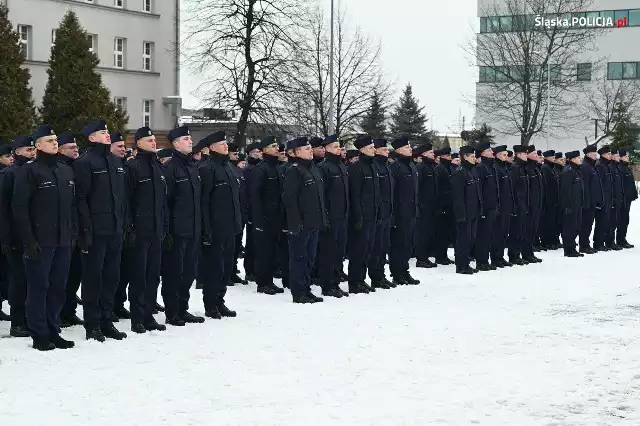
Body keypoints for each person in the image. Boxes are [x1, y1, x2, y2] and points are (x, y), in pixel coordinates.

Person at [12, 124, 77, 351]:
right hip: (40, 241)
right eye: (49, 140)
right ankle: (39, 334)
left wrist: (72, 233)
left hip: (63, 240)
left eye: (56, 139)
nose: (54, 143)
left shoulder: (65, 170)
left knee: (58, 288)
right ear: (37, 145)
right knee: (39, 288)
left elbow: (72, 206)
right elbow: (20, 209)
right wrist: (29, 240)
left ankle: (53, 329)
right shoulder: (29, 171)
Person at [73, 121, 128, 341]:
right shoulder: (85, 162)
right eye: (102, 133)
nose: (107, 135)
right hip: (96, 232)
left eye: (107, 132)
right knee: (93, 279)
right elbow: (81, 200)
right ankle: (92, 324)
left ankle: (106, 319)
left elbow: (121, 198)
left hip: (115, 230)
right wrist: (86, 231)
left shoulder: (115, 162)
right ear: (92, 138)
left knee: (111, 278)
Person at [125, 127, 168, 333]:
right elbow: (126, 202)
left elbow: (163, 203)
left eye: (154, 139)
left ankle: (148, 314)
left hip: (156, 231)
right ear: (138, 143)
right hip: (139, 232)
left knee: (153, 276)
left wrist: (165, 227)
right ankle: (137, 318)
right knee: (138, 276)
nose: (153, 142)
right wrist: (130, 229)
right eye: (149, 140)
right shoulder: (133, 168)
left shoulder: (159, 167)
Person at [161, 125, 205, 326]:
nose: (190, 141)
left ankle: (182, 308)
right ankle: (172, 311)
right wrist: (168, 230)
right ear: (176, 144)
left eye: (190, 138)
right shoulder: (170, 168)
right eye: (186, 139)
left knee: (188, 272)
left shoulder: (192, 167)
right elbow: (166, 203)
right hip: (177, 231)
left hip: (193, 228)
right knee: (174, 273)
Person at [199, 131, 241, 318]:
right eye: (221, 143)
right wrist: (206, 228)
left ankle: (220, 300)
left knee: (226, 266)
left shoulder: (229, 167)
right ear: (211, 147)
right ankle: (210, 304)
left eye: (226, 142)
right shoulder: (207, 168)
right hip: (215, 228)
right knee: (214, 268)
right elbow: (204, 202)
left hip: (230, 226)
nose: (226, 145)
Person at [282, 137, 327, 303]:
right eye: (306, 148)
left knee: (310, 258)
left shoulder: (313, 169)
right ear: (295, 152)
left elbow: (319, 198)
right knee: (299, 258)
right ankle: (299, 292)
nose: (310, 150)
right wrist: (295, 222)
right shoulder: (294, 171)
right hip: (300, 224)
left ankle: (306, 289)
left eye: (310, 148)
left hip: (313, 222)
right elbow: (289, 199)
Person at [1, 136, 36, 337]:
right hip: (15, 237)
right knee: (19, 280)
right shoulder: (9, 174)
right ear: (17, 152)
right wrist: (5, 238)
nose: (32, 152)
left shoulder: (32, 171)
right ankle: (17, 321)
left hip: (32, 234)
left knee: (32, 280)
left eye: (33, 148)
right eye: (28, 149)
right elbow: (4, 210)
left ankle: (30, 319)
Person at [249, 136, 286, 295]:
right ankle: (262, 282)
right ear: (264, 150)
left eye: (277, 145)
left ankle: (269, 280)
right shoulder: (261, 169)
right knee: (264, 252)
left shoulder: (276, 167)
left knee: (273, 252)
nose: (277, 148)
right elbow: (255, 196)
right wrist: (258, 220)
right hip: (264, 218)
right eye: (273, 146)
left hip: (276, 217)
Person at [315, 135, 350, 297]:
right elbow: (321, 196)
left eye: (339, 147)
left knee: (339, 253)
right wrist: (324, 218)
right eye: (336, 147)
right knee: (328, 253)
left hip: (342, 217)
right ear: (327, 148)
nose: (339, 149)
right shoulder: (324, 167)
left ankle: (335, 281)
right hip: (330, 218)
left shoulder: (342, 167)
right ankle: (327, 285)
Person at [56, 133, 84, 328]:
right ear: (60, 150)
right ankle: (57, 313)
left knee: (75, 274)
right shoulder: (59, 168)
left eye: (76, 147)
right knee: (60, 277)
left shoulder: (79, 167)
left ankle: (69, 310)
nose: (75, 149)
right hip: (61, 231)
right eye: (70, 147)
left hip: (78, 230)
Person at [347, 135, 379, 294]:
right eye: (371, 147)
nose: (374, 149)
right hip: (361, 217)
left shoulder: (372, 166)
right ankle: (354, 282)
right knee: (358, 250)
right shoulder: (356, 168)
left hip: (372, 216)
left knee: (368, 249)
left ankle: (361, 279)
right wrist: (358, 217)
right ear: (362, 150)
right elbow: (355, 195)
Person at [389, 137, 420, 285]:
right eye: (407, 147)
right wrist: (394, 216)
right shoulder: (395, 167)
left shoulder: (412, 166)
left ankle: (404, 270)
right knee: (398, 244)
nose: (411, 149)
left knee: (408, 244)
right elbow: (392, 194)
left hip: (412, 212)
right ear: (399, 150)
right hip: (400, 213)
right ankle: (397, 273)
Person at [110, 133, 132, 320]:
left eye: (124, 146)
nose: (123, 149)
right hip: (110, 228)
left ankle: (118, 303)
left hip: (124, 226)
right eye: (119, 146)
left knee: (123, 270)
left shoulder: (126, 167)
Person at [452, 146, 482, 274]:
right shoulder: (460, 172)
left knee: (470, 239)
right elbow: (457, 196)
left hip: (473, 212)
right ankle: (461, 265)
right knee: (463, 240)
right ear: (464, 157)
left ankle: (466, 263)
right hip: (464, 214)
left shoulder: (472, 171)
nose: (474, 159)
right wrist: (461, 215)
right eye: (472, 157)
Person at [368, 138, 394, 289]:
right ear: (377, 150)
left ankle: (381, 275)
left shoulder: (387, 166)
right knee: (376, 247)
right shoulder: (375, 166)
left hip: (387, 213)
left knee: (383, 246)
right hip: (378, 213)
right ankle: (375, 277)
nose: (387, 151)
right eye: (384, 149)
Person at [473, 141, 499, 271]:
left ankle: (485, 259)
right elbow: (479, 190)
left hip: (493, 207)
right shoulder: (480, 168)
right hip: (485, 209)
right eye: (489, 151)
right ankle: (481, 261)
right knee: (482, 236)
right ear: (482, 153)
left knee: (489, 235)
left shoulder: (492, 167)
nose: (492, 152)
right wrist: (481, 209)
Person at [415, 143, 438, 269]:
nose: (433, 154)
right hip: (423, 207)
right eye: (430, 152)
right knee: (422, 233)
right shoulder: (421, 167)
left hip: (431, 206)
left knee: (428, 232)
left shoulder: (431, 167)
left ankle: (425, 256)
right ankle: (421, 258)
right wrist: (420, 204)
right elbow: (418, 188)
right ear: (423, 154)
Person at [490, 145, 513, 267]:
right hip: (500, 206)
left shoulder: (505, 168)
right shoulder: (496, 168)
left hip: (507, 206)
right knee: (497, 233)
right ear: (497, 155)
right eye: (504, 155)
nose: (506, 157)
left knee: (504, 233)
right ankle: (495, 257)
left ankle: (500, 256)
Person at [560, 151, 585, 257]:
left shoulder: (576, 170)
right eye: (578, 158)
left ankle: (572, 248)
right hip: (571, 206)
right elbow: (565, 191)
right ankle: (569, 249)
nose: (581, 159)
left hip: (577, 205)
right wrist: (567, 206)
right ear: (573, 159)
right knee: (570, 228)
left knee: (576, 227)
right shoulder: (568, 171)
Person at [507, 145, 529, 265]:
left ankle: (517, 253)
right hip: (517, 205)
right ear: (519, 155)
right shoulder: (515, 168)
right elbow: (512, 188)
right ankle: (513, 255)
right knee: (515, 232)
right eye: (524, 154)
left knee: (521, 231)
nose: (526, 155)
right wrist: (515, 205)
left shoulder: (522, 168)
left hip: (523, 205)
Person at [578, 144, 602, 254]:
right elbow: (585, 186)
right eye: (593, 154)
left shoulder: (591, 166)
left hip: (592, 201)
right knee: (585, 224)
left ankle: (586, 244)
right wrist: (586, 201)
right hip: (587, 201)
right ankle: (583, 245)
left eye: (595, 154)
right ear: (588, 155)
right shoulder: (585, 167)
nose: (595, 156)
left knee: (589, 224)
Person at [433, 148, 455, 265]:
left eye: (449, 155)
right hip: (442, 206)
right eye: (447, 156)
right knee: (441, 233)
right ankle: (439, 256)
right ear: (442, 157)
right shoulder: (439, 169)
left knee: (446, 233)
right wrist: (439, 207)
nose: (449, 157)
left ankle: (444, 255)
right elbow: (437, 189)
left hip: (449, 205)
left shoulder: (449, 168)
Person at [522, 146, 543, 263]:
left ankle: (530, 251)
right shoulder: (528, 169)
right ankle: (526, 253)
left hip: (536, 205)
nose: (536, 155)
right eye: (534, 153)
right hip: (529, 205)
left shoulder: (535, 168)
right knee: (528, 230)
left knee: (533, 230)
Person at [594, 146, 613, 251]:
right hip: (603, 198)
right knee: (601, 221)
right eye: (608, 154)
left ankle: (602, 242)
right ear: (603, 155)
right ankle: (598, 243)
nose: (610, 155)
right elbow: (599, 184)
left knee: (606, 221)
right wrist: (600, 199)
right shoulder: (600, 166)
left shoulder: (607, 166)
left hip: (608, 198)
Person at [540, 150, 560, 250]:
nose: (553, 159)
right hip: (548, 201)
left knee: (552, 222)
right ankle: (546, 242)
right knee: (547, 222)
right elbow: (545, 186)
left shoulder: (552, 168)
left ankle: (552, 240)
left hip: (553, 200)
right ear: (547, 158)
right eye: (552, 157)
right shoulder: (545, 168)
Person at [617, 149, 637, 248]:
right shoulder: (620, 168)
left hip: (627, 199)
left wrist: (634, 194)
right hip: (623, 199)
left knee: (625, 220)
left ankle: (622, 238)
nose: (627, 158)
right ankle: (620, 240)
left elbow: (630, 183)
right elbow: (621, 185)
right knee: (622, 220)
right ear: (620, 157)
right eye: (625, 156)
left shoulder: (626, 167)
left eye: (627, 156)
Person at [609, 149, 624, 251]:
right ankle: (610, 241)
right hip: (612, 200)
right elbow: (610, 186)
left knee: (615, 221)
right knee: (611, 222)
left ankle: (612, 241)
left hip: (618, 199)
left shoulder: (616, 167)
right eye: (617, 155)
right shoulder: (611, 167)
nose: (619, 157)